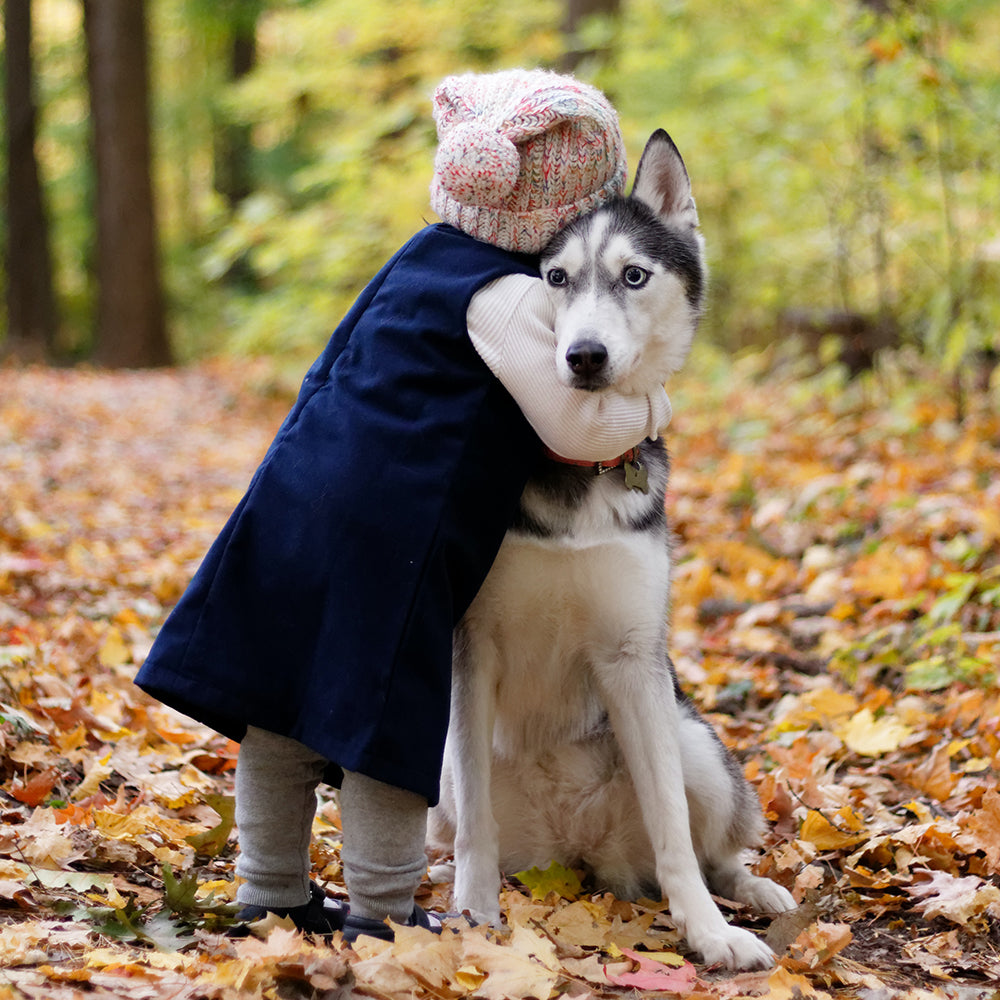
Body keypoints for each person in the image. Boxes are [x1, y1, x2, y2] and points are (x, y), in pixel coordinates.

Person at [134, 68, 672, 941]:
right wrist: (654, 409)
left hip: (293, 497)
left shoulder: (414, 257)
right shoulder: (511, 298)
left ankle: (268, 891)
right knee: (384, 719)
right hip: (393, 531)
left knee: (277, 712)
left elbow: (328, 366)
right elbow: (574, 429)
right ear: (564, 204)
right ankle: (383, 912)